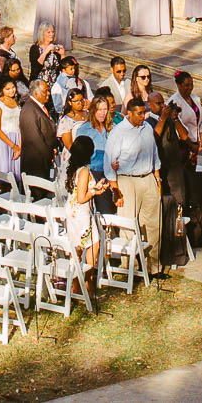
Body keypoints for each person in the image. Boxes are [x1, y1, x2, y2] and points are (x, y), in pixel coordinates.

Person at [105, 96, 165, 276]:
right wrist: (115, 190)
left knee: (153, 224)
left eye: (143, 113)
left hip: (147, 178)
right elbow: (109, 163)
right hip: (126, 179)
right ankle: (128, 266)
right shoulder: (118, 132)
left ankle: (153, 266)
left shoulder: (147, 128)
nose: (142, 116)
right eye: (139, 114)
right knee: (128, 223)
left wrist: (157, 178)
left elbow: (154, 154)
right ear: (129, 114)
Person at [146, 90, 191, 269]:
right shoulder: (149, 122)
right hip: (161, 172)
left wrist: (175, 119)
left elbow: (185, 136)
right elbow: (153, 139)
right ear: (149, 105)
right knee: (165, 211)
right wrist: (163, 119)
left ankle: (178, 252)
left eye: (163, 103)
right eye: (158, 104)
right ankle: (164, 252)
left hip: (175, 171)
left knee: (179, 209)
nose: (161, 106)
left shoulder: (169, 120)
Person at [65, 135, 111, 294]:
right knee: (93, 245)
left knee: (77, 246)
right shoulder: (84, 171)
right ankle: (87, 281)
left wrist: (94, 189)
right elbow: (82, 197)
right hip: (81, 213)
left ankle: (76, 284)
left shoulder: (74, 169)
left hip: (72, 211)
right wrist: (95, 191)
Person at [19, 78, 57, 180]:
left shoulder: (39, 106)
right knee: (38, 193)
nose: (48, 94)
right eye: (45, 92)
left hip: (43, 158)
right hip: (35, 162)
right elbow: (35, 139)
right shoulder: (29, 110)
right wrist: (49, 153)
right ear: (36, 93)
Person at [0, 78, 23, 177]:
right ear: (2, 90)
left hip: (17, 137)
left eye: (13, 88)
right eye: (8, 89)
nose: (11, 91)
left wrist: (19, 146)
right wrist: (13, 146)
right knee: (3, 173)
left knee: (15, 174)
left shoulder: (17, 102)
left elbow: (20, 124)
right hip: (3, 140)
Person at [169, 70, 202, 153]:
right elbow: (177, 128)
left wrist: (201, 137)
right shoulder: (174, 102)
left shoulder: (195, 98)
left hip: (195, 143)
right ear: (179, 85)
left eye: (192, 84)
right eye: (186, 85)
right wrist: (191, 146)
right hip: (182, 145)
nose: (190, 87)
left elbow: (201, 119)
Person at [57, 89, 89, 177]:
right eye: (76, 101)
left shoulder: (88, 114)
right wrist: (80, 157)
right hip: (74, 155)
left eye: (82, 100)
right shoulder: (66, 120)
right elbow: (68, 144)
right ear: (70, 102)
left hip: (89, 152)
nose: (80, 103)